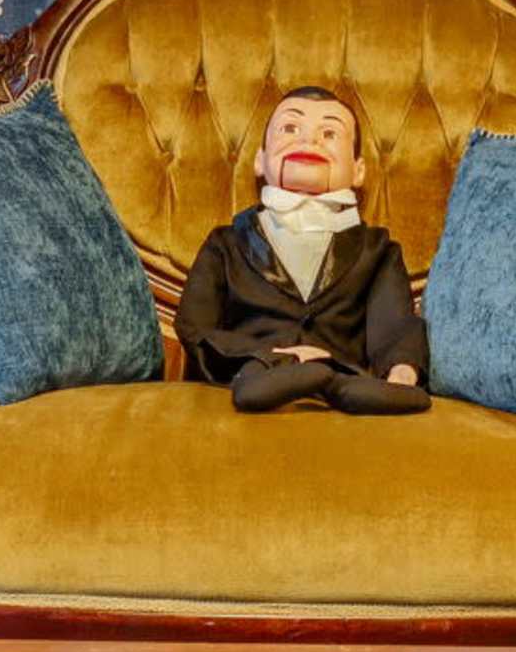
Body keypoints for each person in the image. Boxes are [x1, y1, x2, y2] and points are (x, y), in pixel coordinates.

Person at [174, 86, 429, 415]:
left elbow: (393, 323)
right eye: (290, 129)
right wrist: (274, 355)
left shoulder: (376, 249)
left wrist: (401, 370)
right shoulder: (227, 243)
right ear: (259, 160)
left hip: (340, 367)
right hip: (252, 364)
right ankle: (272, 378)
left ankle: (343, 385)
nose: (309, 142)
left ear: (358, 170)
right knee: (250, 372)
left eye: (329, 133)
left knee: (378, 371)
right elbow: (195, 324)